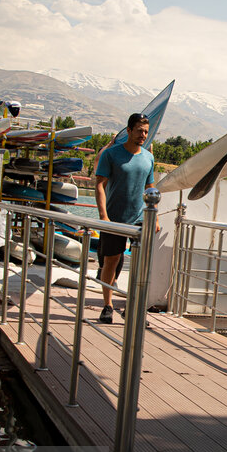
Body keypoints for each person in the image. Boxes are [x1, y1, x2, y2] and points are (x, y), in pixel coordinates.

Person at [93, 112, 156, 323]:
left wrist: (154, 217)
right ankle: (107, 305)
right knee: (110, 261)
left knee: (140, 265)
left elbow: (150, 187)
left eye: (146, 131)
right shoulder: (111, 154)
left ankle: (132, 307)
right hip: (114, 217)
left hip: (139, 218)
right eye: (139, 130)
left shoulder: (148, 157)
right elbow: (100, 184)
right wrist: (103, 216)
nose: (143, 135)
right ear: (128, 130)